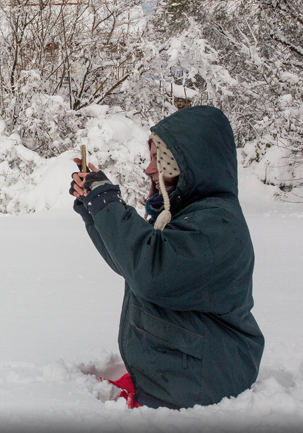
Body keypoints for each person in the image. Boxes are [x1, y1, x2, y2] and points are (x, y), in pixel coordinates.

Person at [69, 106, 264, 409]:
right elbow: (130, 263)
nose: (149, 170)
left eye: (158, 160)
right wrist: (95, 208)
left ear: (187, 164)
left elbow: (150, 272)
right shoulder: (192, 214)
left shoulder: (216, 223)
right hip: (193, 372)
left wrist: (106, 203)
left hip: (205, 382)